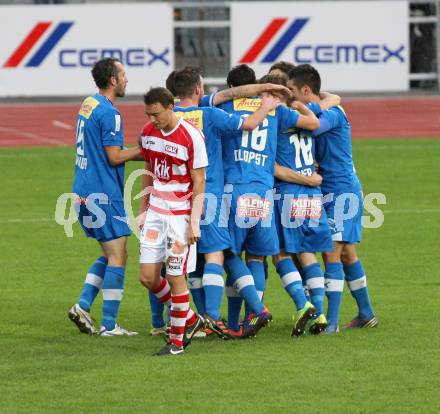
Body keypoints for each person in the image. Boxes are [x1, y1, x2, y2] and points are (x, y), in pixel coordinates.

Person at [208, 64, 320, 337]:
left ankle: (237, 320)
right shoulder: (275, 109)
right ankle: (257, 320)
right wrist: (292, 101)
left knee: (228, 255)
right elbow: (314, 123)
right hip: (264, 194)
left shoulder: (223, 109)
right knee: (257, 257)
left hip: (235, 191)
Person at [170, 66, 281, 339]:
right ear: (198, 89)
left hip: (174, 199)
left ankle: (196, 318)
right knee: (221, 254)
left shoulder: (168, 119)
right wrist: (265, 103)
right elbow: (248, 124)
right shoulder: (210, 114)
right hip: (210, 193)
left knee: (189, 261)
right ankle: (217, 315)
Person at [287, 64, 378, 333]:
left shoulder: (334, 113)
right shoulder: (327, 105)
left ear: (306, 90)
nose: (291, 96)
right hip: (327, 190)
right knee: (347, 253)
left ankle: (333, 322)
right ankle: (366, 313)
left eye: (293, 91)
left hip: (341, 191)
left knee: (331, 252)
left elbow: (314, 127)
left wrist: (319, 102)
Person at [68, 57, 141, 337]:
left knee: (111, 253)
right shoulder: (110, 112)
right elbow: (113, 156)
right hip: (103, 193)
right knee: (118, 255)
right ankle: (109, 325)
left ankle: (83, 305)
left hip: (82, 190)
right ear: (112, 80)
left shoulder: (88, 103)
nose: (126, 79)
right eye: (123, 75)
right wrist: (144, 149)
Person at [138, 87, 208, 356]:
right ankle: (189, 318)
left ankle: (177, 342)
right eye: (148, 114)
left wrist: (194, 222)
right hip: (156, 213)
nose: (152, 119)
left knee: (176, 276)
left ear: (170, 107)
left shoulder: (191, 136)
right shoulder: (147, 133)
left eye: (156, 114)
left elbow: (199, 180)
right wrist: (143, 209)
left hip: (180, 217)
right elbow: (148, 170)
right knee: (147, 277)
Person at [267, 72, 337, 336]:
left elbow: (276, 169)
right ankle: (318, 314)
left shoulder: (277, 120)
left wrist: (305, 180)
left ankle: (302, 304)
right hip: (313, 198)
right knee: (307, 252)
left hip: (291, 193)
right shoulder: (307, 119)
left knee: (280, 254)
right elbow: (330, 101)